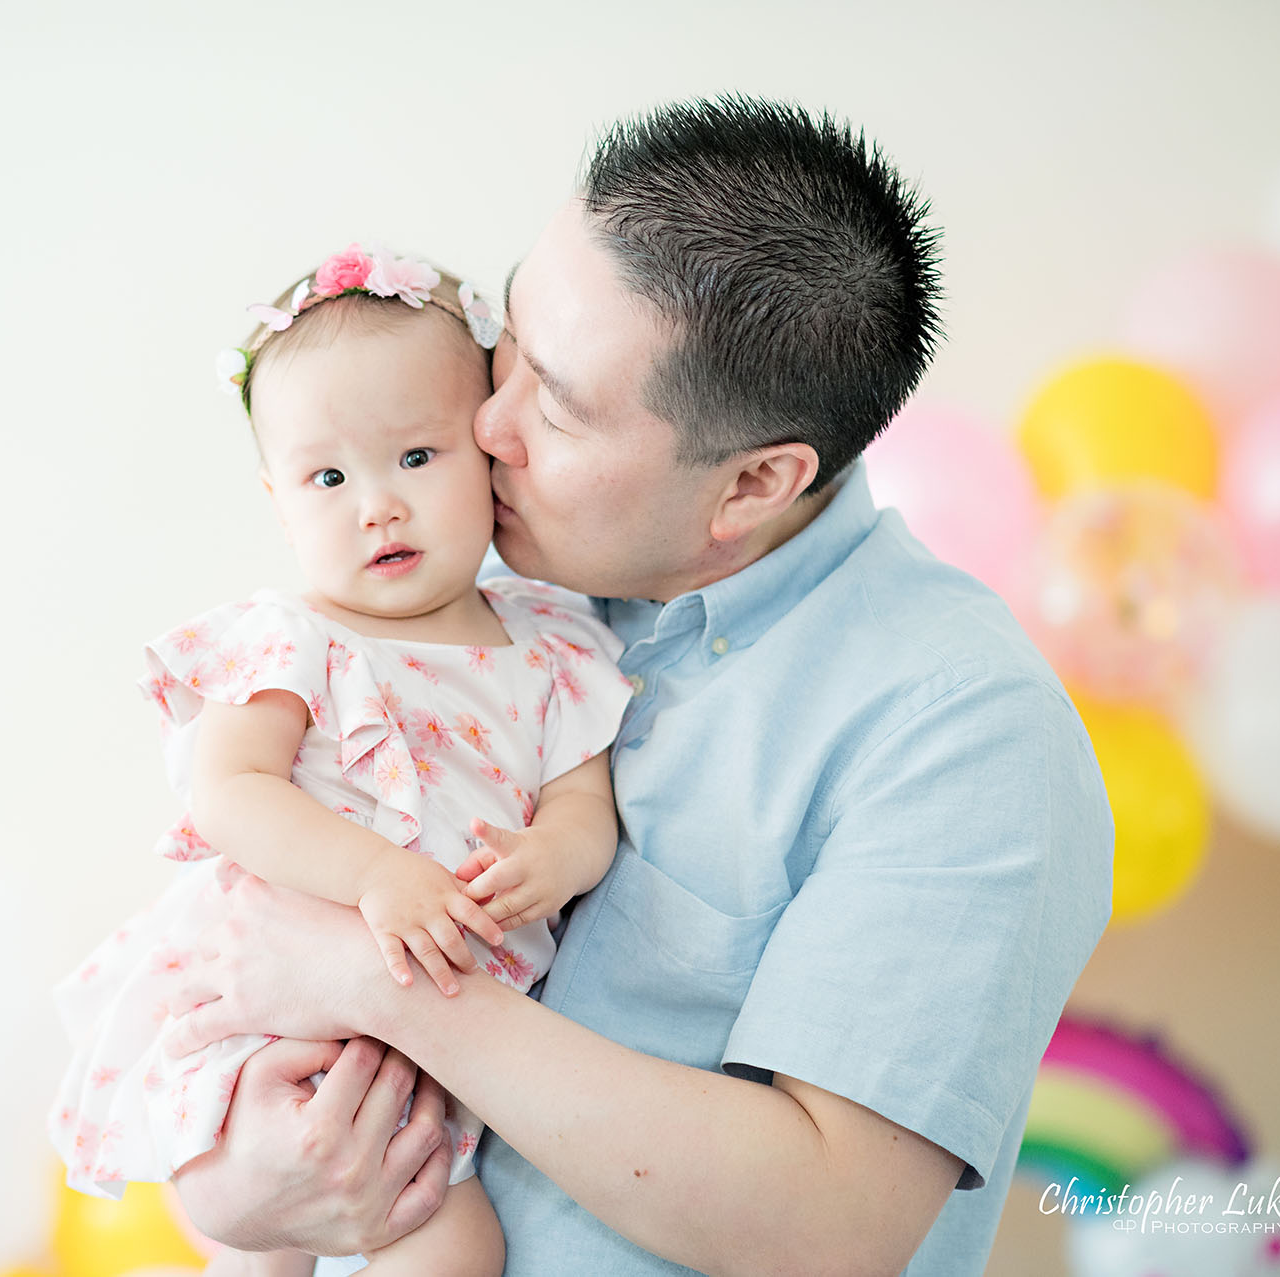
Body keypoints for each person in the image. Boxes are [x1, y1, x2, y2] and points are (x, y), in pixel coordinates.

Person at [161, 96, 1116, 1276]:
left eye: (554, 405)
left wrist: (389, 984)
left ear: (755, 484)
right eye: (510, 336)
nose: (486, 422)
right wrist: (256, 1189)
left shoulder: (960, 727)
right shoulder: (501, 595)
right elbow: (237, 949)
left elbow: (830, 1223)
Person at [48, 246, 634, 1276]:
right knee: (264, 1232)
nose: (378, 504)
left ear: (489, 453)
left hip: (448, 1036)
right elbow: (231, 792)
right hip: (277, 1014)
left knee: (458, 1245)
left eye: (417, 456)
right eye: (329, 476)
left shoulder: (550, 645)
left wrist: (561, 855)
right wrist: (376, 873)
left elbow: (583, 798)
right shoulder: (290, 639)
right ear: (280, 502)